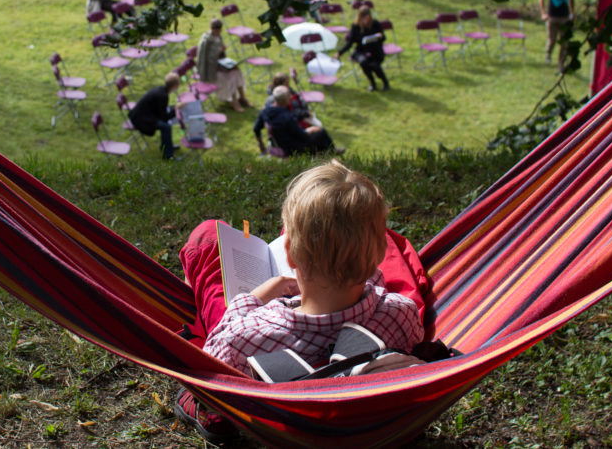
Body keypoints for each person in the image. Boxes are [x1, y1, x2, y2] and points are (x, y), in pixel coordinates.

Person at [174, 160, 425, 440]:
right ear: (379, 253)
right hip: (356, 408)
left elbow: (212, 354)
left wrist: (258, 296)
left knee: (209, 235)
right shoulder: (400, 314)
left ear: (290, 257)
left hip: (280, 401)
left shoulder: (246, 336)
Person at [254, 86, 342, 156]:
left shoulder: (265, 111)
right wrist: (312, 129)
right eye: (289, 96)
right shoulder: (287, 117)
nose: (291, 97)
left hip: (277, 143)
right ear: (285, 100)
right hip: (292, 148)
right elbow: (302, 135)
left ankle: (327, 153)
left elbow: (256, 128)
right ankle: (329, 153)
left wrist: (261, 144)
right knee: (321, 132)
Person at [196, 18, 250, 112]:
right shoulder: (206, 41)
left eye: (219, 30)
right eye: (216, 30)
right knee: (229, 77)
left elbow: (220, 55)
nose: (218, 32)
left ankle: (242, 98)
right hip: (209, 72)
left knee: (237, 72)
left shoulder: (219, 37)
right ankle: (234, 102)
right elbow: (205, 60)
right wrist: (219, 51)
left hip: (219, 65)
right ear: (211, 29)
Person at [128, 72, 181, 160]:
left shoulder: (161, 89)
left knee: (166, 125)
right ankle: (168, 155)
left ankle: (167, 146)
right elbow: (163, 117)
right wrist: (176, 109)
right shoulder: (163, 96)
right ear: (175, 86)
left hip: (142, 115)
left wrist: (173, 108)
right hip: (141, 120)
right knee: (166, 127)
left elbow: (161, 111)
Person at [336, 7, 390, 92]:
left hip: (375, 50)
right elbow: (349, 43)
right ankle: (372, 83)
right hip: (361, 51)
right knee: (363, 62)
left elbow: (383, 38)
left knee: (374, 65)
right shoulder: (355, 27)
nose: (366, 21)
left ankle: (385, 82)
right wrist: (339, 53)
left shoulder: (375, 23)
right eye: (364, 19)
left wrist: (380, 36)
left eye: (368, 19)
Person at [538, 0, 575, 73]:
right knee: (552, 40)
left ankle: (561, 65)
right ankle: (548, 53)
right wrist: (543, 13)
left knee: (564, 43)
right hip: (552, 16)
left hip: (564, 17)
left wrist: (572, 13)